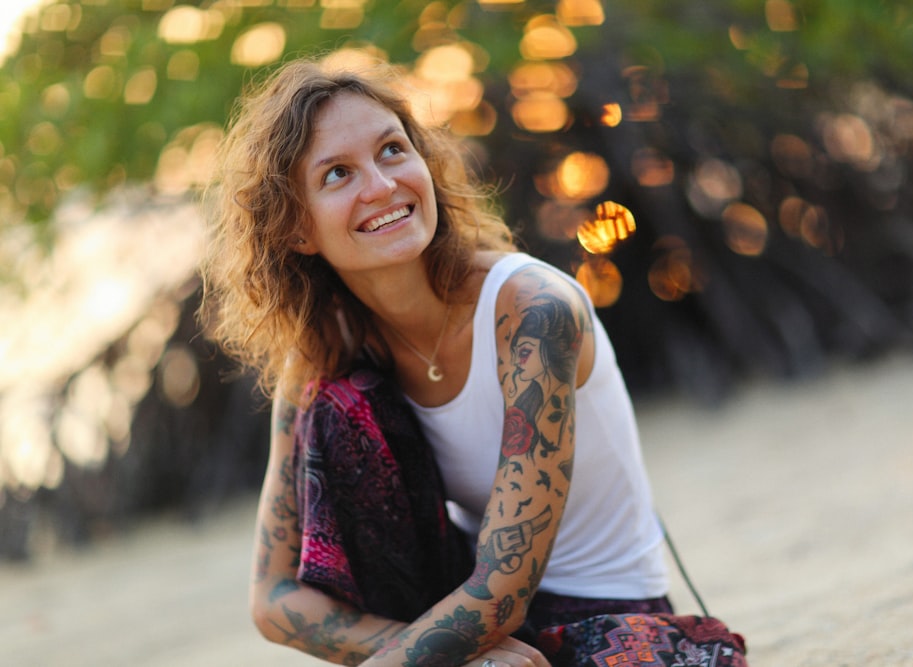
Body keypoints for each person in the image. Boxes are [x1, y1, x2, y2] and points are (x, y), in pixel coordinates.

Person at [200, 54, 671, 667]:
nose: (380, 185)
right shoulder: (326, 352)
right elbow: (273, 597)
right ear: (296, 228)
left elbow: (500, 596)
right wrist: (460, 657)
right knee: (335, 402)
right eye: (337, 174)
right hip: (466, 624)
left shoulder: (533, 313)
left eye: (392, 150)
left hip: (603, 618)